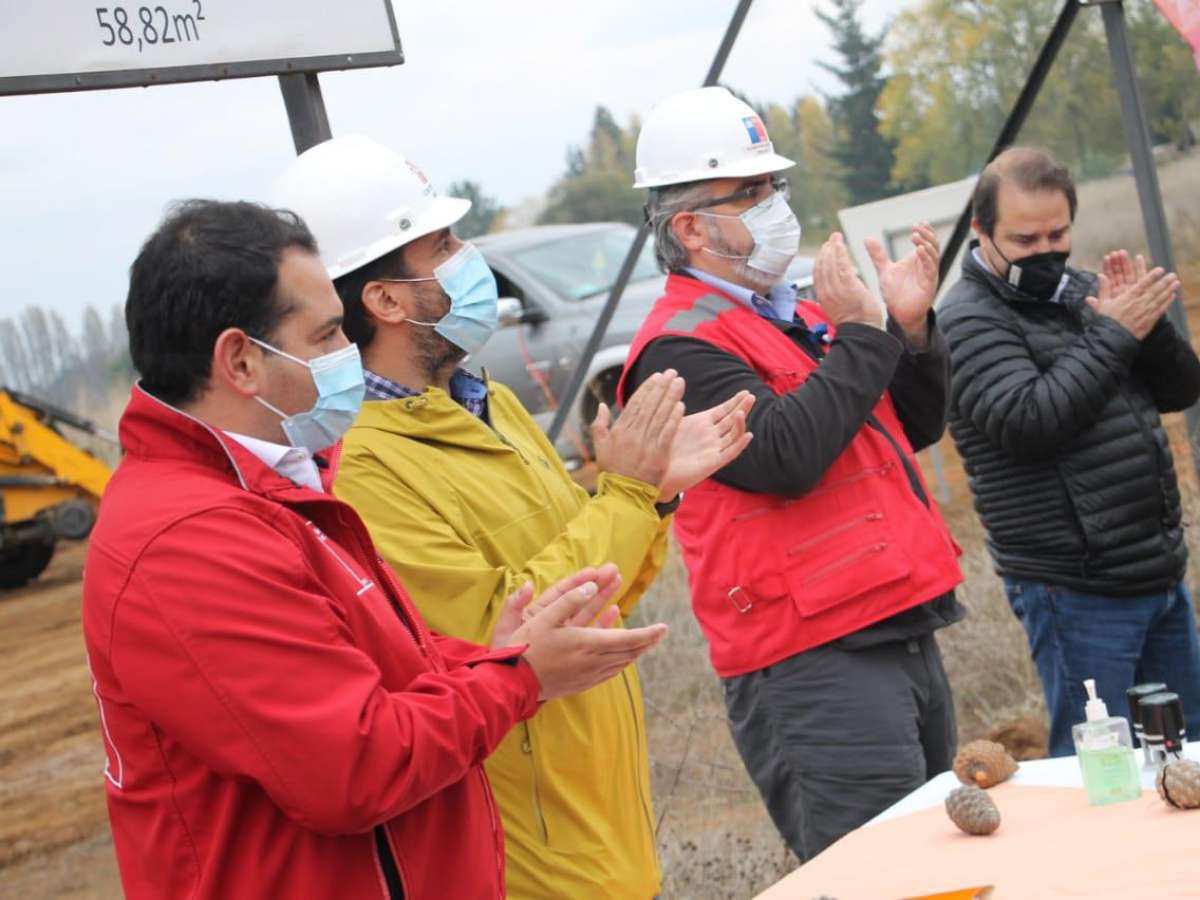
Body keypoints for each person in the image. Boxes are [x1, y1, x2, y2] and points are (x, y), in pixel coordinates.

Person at [81, 198, 669, 900]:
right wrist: (516, 676)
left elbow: (385, 665)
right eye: (328, 336)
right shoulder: (189, 540)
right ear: (240, 360)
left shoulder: (279, 488)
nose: (345, 356)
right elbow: (351, 765)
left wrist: (494, 654)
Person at [271, 134, 755, 899]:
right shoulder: (368, 468)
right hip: (533, 864)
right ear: (386, 299)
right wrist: (626, 495)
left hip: (606, 833)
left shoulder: (484, 402)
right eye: (444, 244)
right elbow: (507, 637)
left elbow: (604, 593)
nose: (472, 257)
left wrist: (650, 495)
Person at [617, 86, 966, 861]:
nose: (775, 203)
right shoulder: (677, 349)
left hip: (893, 622)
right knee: (880, 875)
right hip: (812, 659)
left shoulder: (792, 311)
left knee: (944, 869)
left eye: (774, 184)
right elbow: (784, 459)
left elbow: (907, 427)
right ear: (690, 227)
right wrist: (860, 337)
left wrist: (908, 332)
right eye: (749, 191)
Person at [938, 146, 1200, 757]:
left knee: (1184, 754)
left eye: (1058, 233)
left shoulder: (1081, 292)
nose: (1045, 250)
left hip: (1153, 569)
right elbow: (1030, 420)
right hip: (1074, 588)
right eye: (1025, 239)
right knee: (1102, 769)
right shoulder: (966, 321)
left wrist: (1147, 324)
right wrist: (1114, 334)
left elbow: (1181, 389)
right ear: (982, 232)